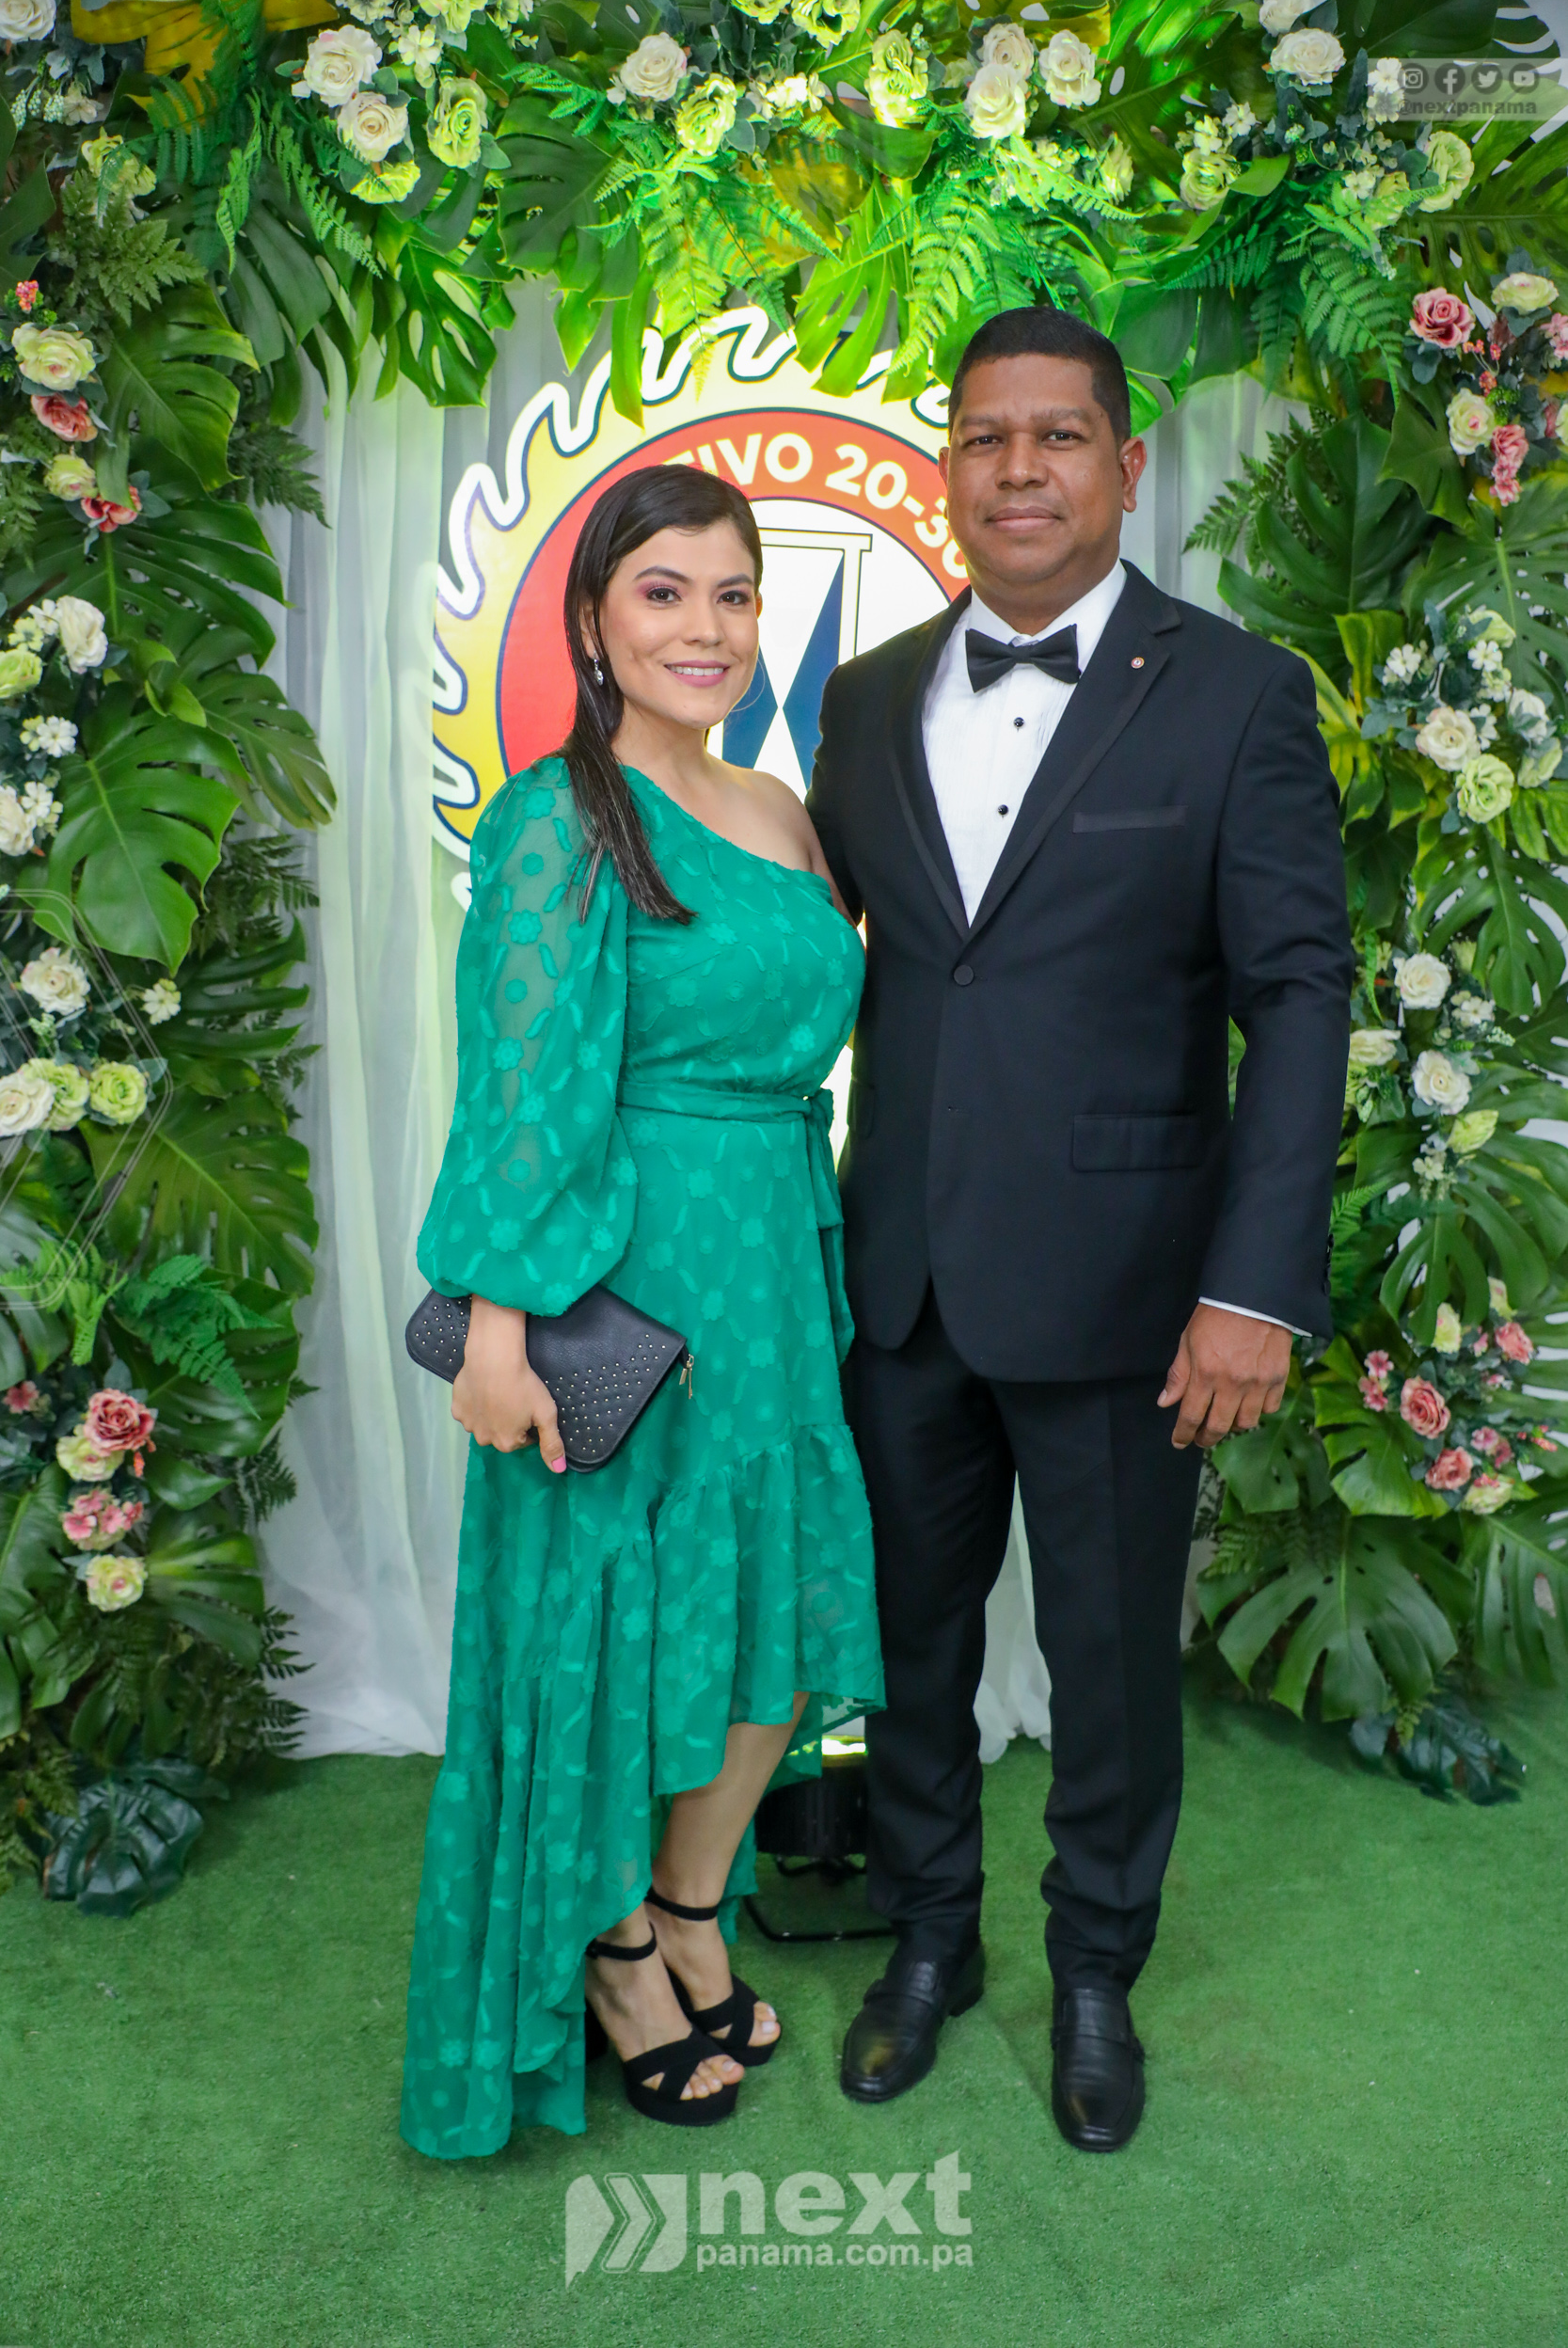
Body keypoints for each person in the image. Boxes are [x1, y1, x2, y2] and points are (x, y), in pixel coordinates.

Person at [807, 306, 1353, 2151]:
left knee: (1113, 1666)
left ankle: (1097, 1968)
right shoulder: (864, 695)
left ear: (1124, 466)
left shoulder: (1235, 693)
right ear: (947, 468)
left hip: (1134, 1290)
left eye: (1058, 436)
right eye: (986, 436)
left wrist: (1252, 1286)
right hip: (900, 1273)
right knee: (913, 1646)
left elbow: (1299, 993)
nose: (1019, 467)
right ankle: (929, 1940)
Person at [402, 467, 883, 2154]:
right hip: (627, 1272)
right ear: (596, 622)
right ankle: (612, 1952)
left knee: (771, 1629)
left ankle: (690, 1908)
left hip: (777, 1261)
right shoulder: (560, 814)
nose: (706, 627)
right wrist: (495, 1331)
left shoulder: (779, 807)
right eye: (664, 592)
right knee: (609, 1627)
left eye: (733, 594)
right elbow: (522, 1085)